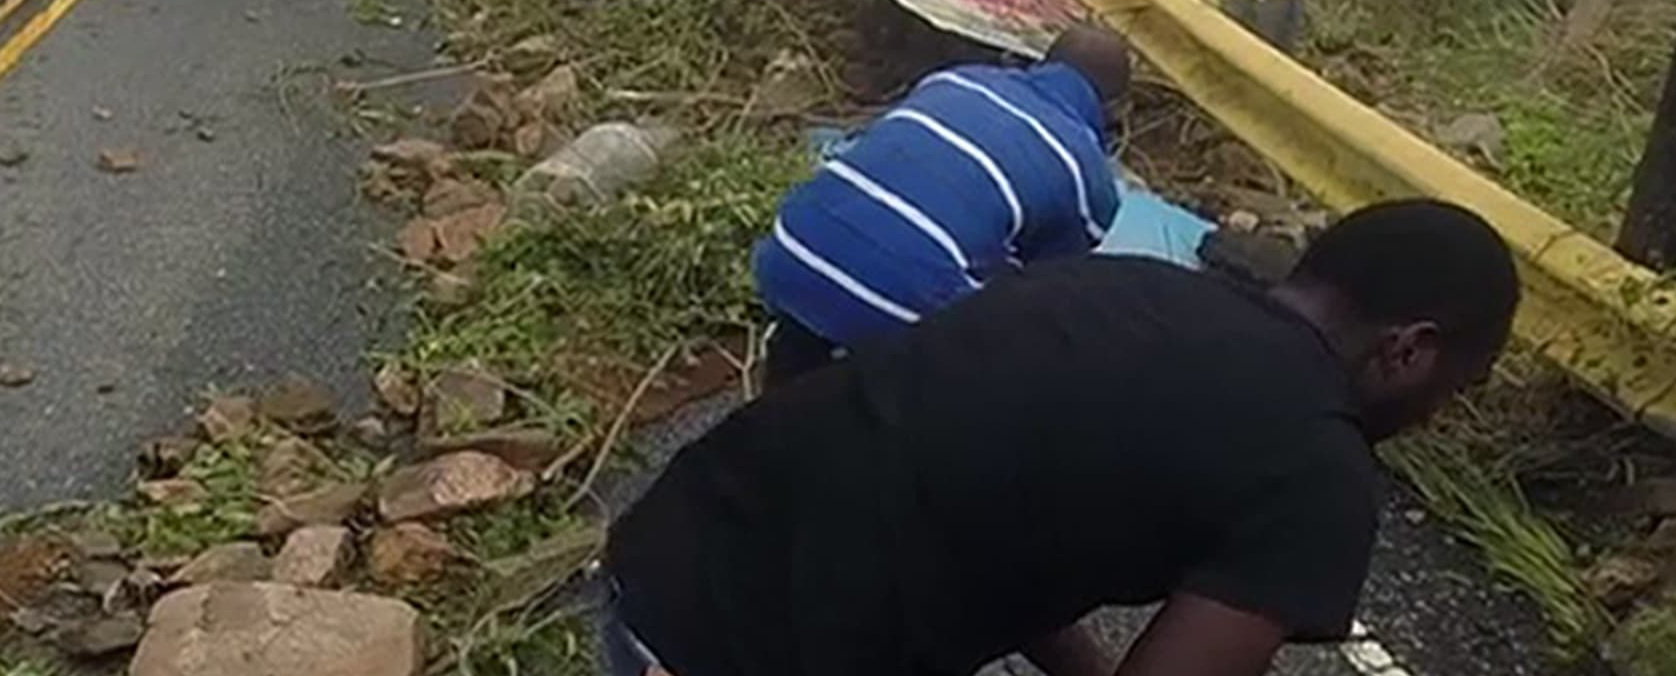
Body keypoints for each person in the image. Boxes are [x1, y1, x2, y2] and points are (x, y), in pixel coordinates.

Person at [600, 198, 1521, 676]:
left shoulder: (1123, 284)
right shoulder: (1321, 472)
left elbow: (1001, 496)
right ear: (1408, 352)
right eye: (1457, 387)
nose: (1439, 412)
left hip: (668, 551)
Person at [753, 24, 1133, 388]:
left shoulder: (956, 78)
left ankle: (776, 406)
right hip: (897, 306)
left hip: (789, 248)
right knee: (1008, 342)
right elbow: (1041, 289)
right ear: (1114, 108)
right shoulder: (1088, 176)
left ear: (1043, 61)